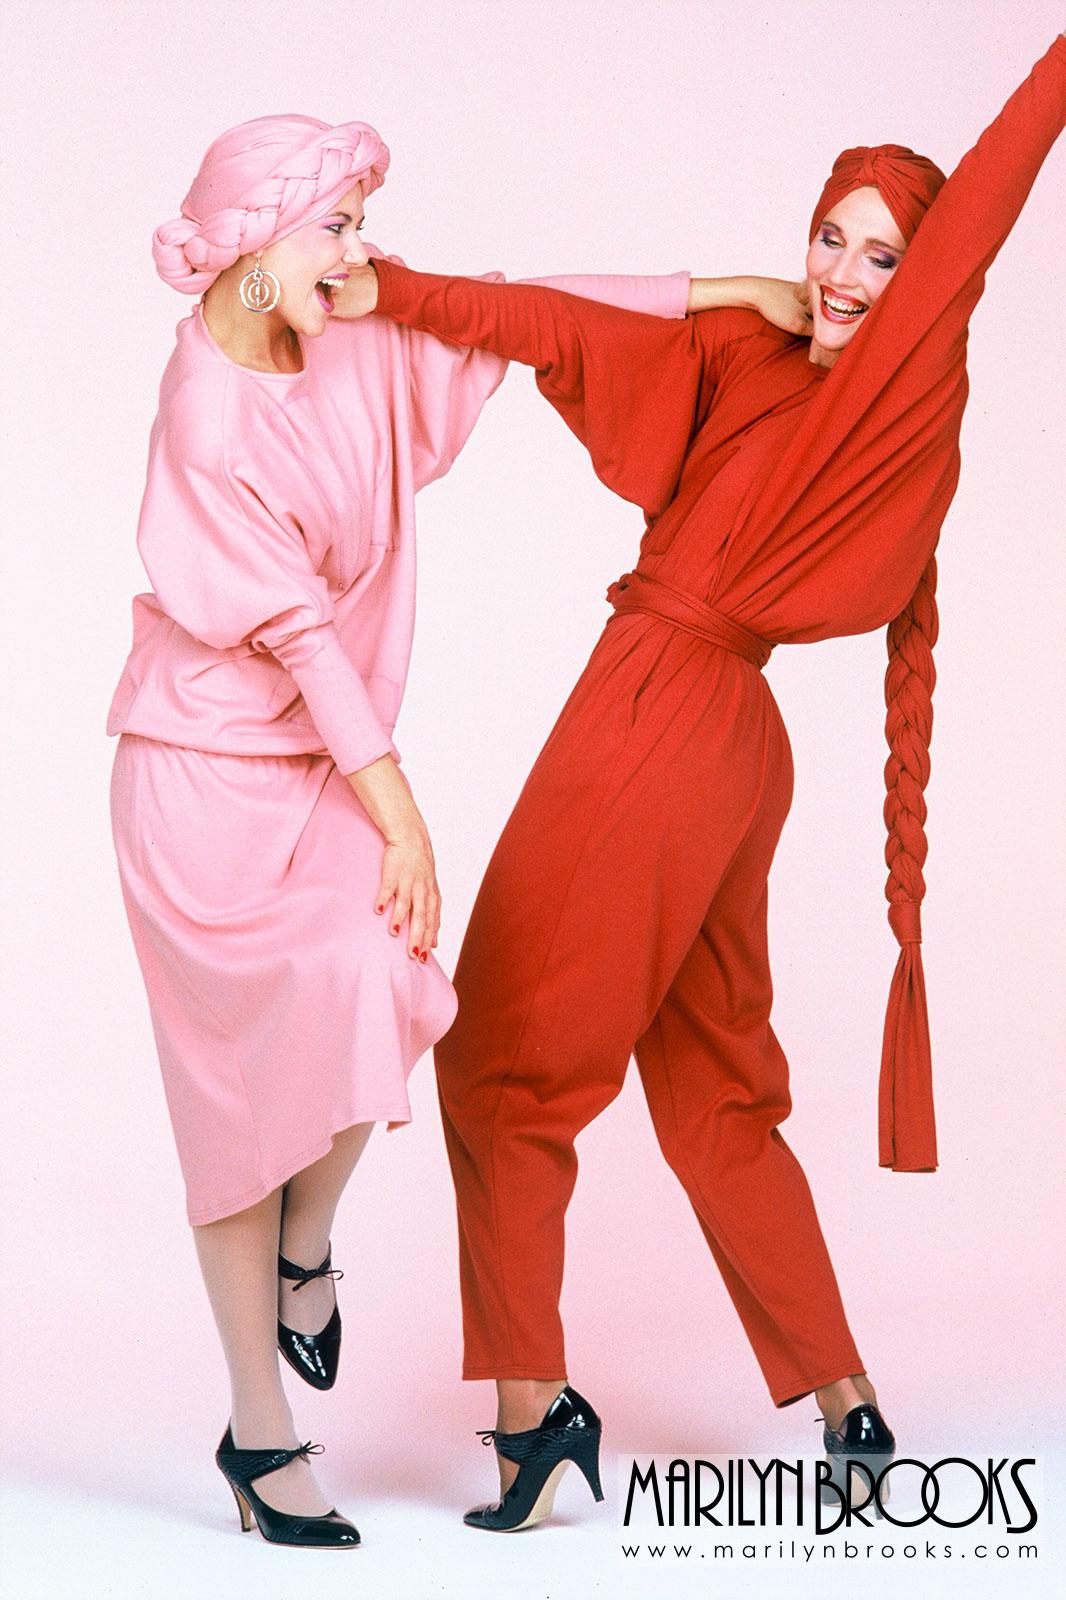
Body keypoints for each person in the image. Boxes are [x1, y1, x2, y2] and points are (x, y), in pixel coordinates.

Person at [347, 32, 1066, 1531]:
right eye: (828, 240)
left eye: (885, 256)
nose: (845, 277)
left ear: (928, 282)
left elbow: (999, 181)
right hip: (722, 738)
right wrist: (414, 290)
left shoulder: (896, 396)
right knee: (718, 1097)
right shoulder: (751, 355)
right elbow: (563, 320)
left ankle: (533, 1419)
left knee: (503, 1075)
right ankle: (850, 1407)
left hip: (664, 711)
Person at [105, 110, 811, 1548]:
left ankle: (307, 1248)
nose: (359, 253)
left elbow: (523, 311)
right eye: (337, 226)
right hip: (202, 781)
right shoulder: (207, 416)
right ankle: (258, 1435)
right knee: (236, 1119)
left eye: (362, 224)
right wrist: (408, 820)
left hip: (321, 766)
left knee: (398, 986)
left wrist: (727, 290)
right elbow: (300, 639)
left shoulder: (348, 335)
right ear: (255, 246)